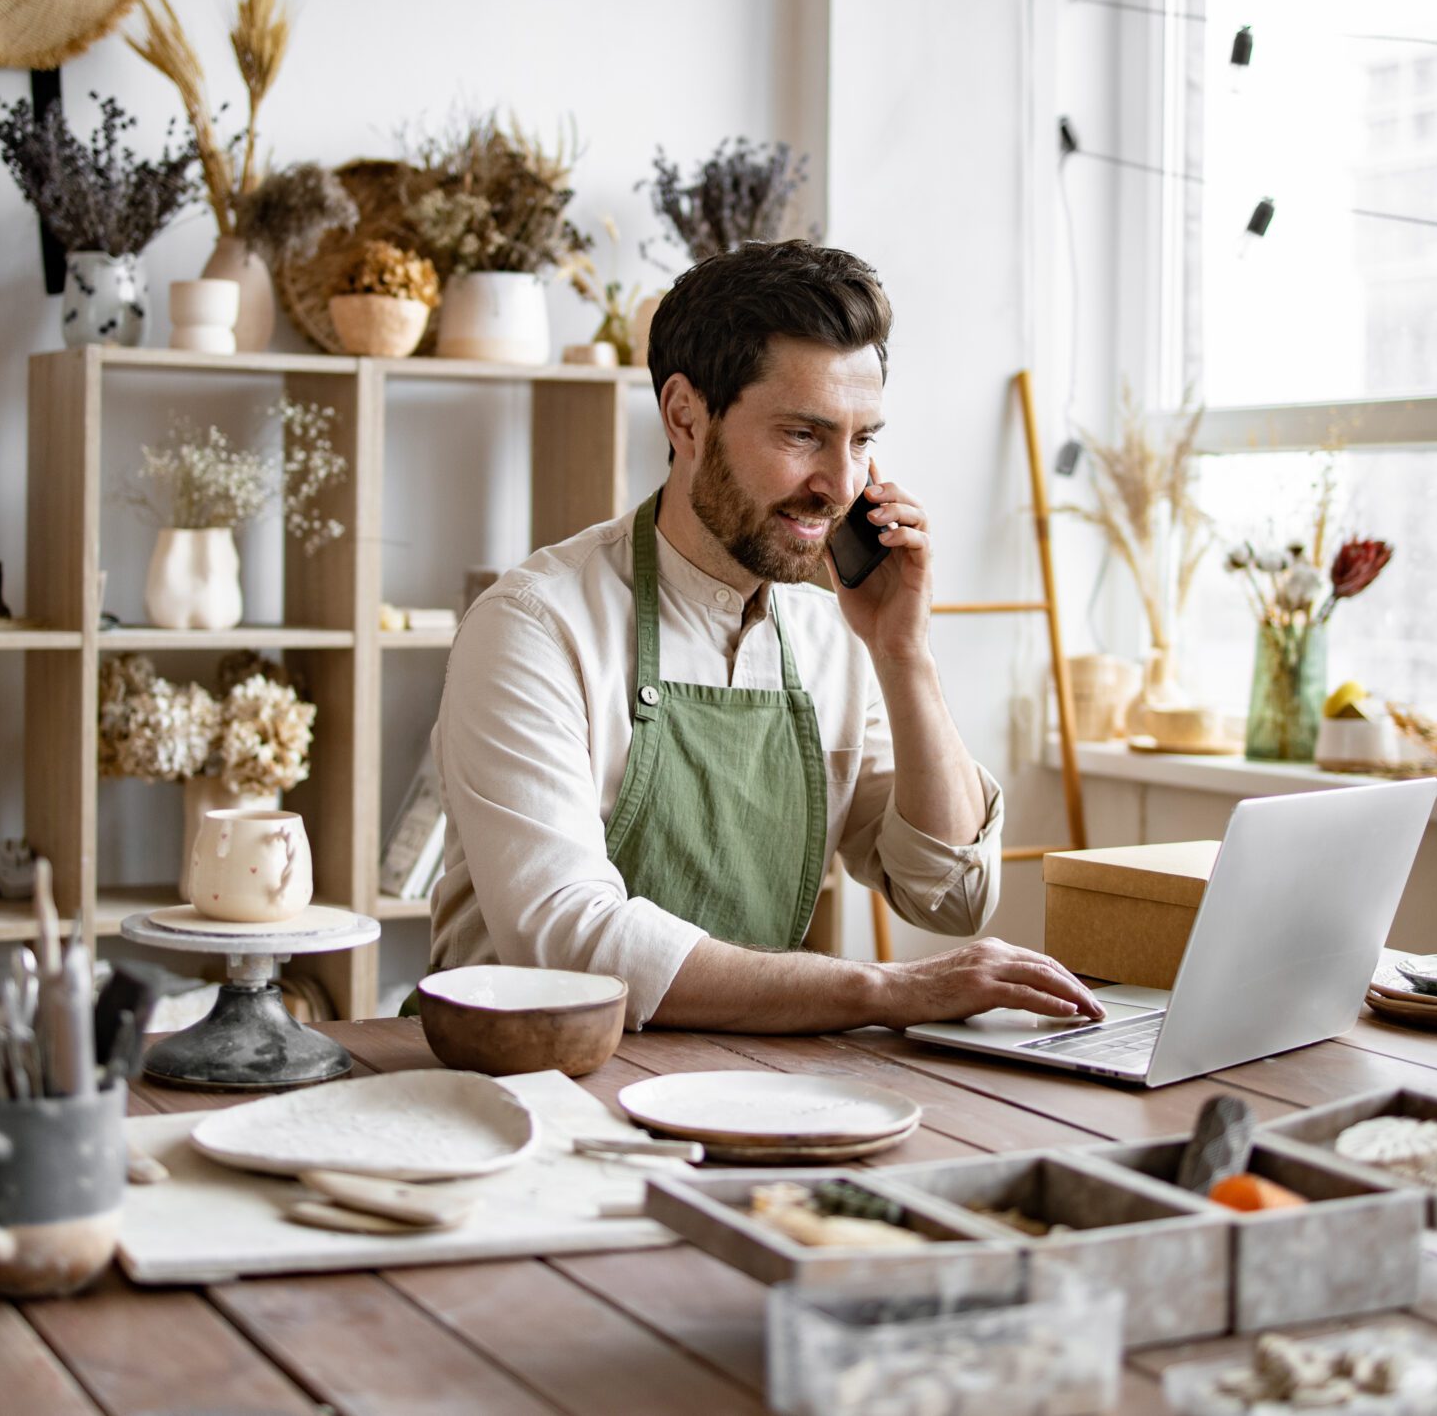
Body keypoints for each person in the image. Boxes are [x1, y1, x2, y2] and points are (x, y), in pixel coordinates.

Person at [425, 240, 1105, 1033]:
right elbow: (571, 942)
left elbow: (950, 895)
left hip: (749, 1073)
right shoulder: (534, 627)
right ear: (686, 417)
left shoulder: (834, 635)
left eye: (862, 440)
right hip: (530, 1075)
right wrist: (885, 990)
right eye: (803, 435)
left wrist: (904, 653)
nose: (842, 485)